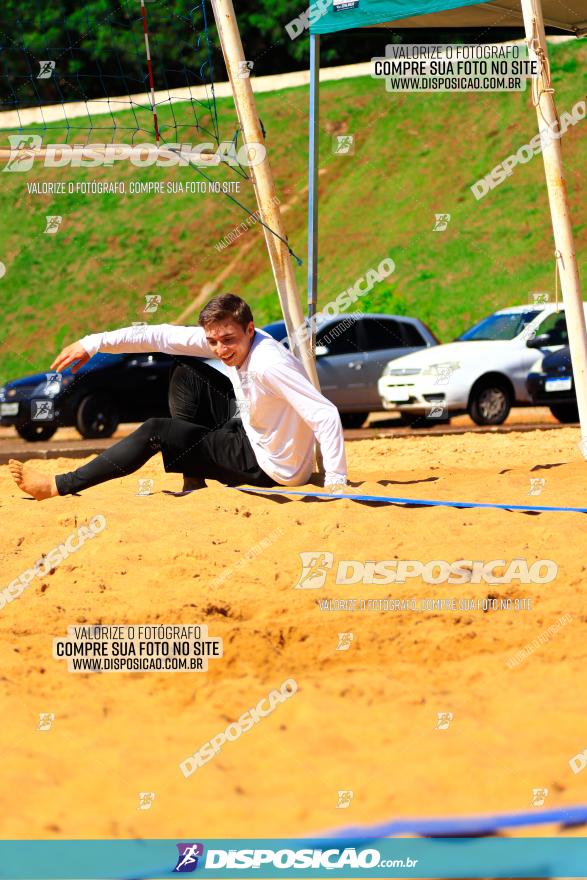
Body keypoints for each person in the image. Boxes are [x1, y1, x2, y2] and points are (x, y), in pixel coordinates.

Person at [8, 294, 347, 501]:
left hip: (269, 467)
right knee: (187, 369)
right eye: (213, 342)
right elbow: (159, 335)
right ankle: (193, 476)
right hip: (252, 431)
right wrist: (92, 343)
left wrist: (335, 483)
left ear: (249, 329)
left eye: (228, 340)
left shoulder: (269, 364)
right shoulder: (227, 340)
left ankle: (58, 485)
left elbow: (325, 414)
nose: (220, 350)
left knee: (157, 428)